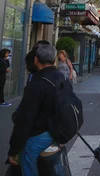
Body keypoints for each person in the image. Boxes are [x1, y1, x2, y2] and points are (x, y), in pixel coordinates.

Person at [8, 44, 66, 175]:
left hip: (41, 133)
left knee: (28, 161)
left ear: (35, 60)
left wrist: (14, 149)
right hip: (58, 131)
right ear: (54, 60)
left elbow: (24, 120)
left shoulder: (36, 85)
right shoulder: (60, 77)